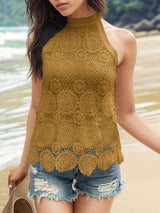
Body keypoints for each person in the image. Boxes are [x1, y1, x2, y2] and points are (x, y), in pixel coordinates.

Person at [8, 0, 160, 213]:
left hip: (100, 167)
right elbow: (36, 107)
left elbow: (127, 114)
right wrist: (24, 164)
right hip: (49, 165)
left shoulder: (123, 41)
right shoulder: (39, 38)